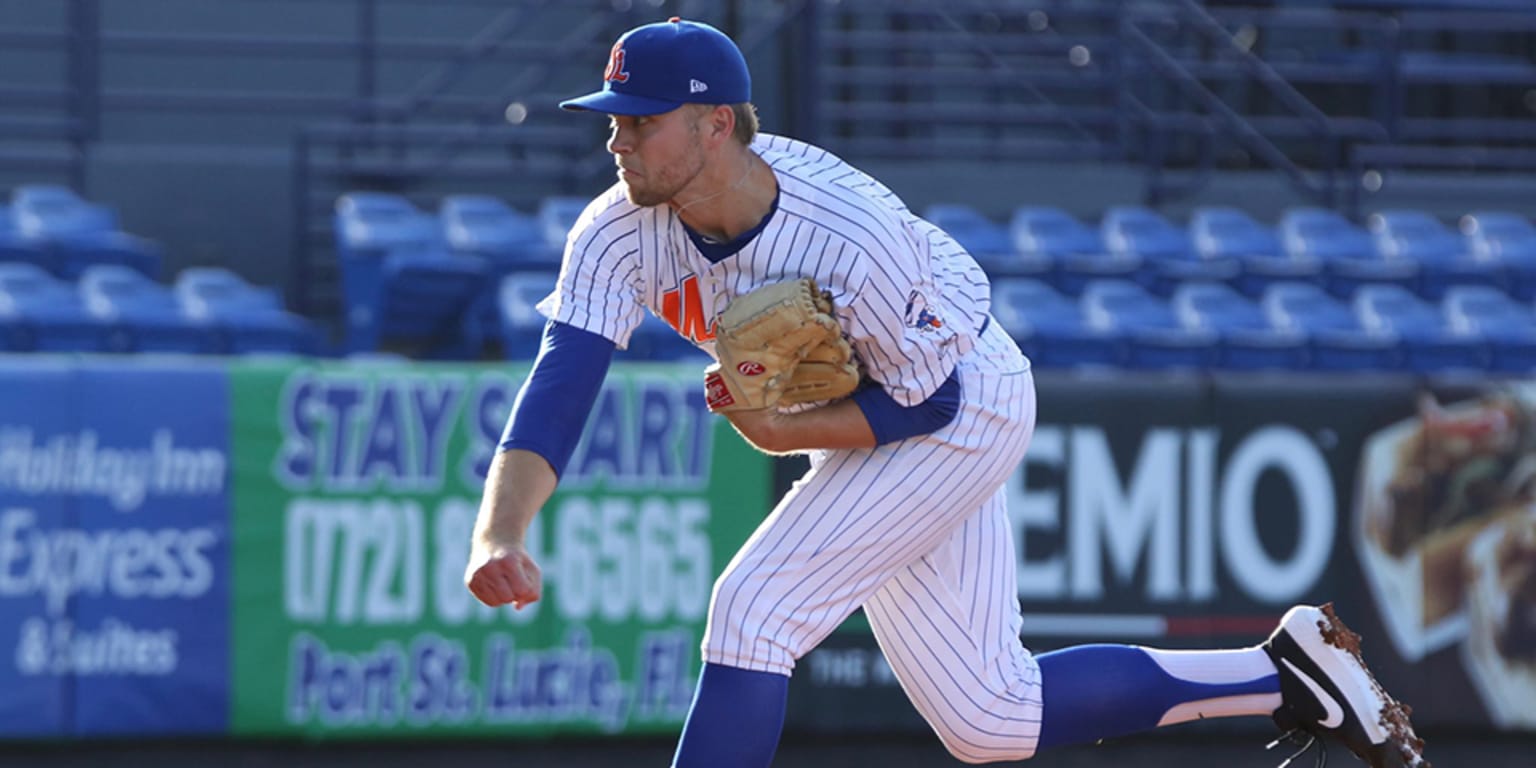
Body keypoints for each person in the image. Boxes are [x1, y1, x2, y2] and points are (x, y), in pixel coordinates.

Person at [463, 17, 1429, 768]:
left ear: (716, 124)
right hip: (876, 409)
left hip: (961, 402)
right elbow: (563, 382)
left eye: (640, 120)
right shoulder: (616, 228)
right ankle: (1288, 674)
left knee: (754, 610)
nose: (617, 141)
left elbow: (926, 407)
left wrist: (777, 426)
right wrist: (499, 533)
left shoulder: (849, 232)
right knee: (990, 719)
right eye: (613, 121)